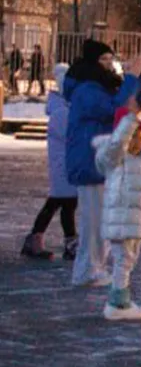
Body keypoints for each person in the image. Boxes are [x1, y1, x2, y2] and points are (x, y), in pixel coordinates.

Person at [65, 40, 141, 288]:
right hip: (90, 162)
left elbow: (131, 104)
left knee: (103, 220)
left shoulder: (103, 85)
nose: (110, 65)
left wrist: (137, 77)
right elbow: (115, 108)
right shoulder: (87, 88)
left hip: (103, 160)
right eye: (104, 60)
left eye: (112, 59)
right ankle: (87, 270)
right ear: (92, 62)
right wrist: (131, 78)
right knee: (94, 222)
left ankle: (92, 268)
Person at [95, 98, 141, 321]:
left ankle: (120, 299)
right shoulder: (114, 158)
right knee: (123, 260)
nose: (138, 141)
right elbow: (117, 145)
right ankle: (118, 303)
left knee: (128, 260)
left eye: (140, 137)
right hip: (120, 221)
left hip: (136, 222)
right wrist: (130, 120)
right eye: (134, 137)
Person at [21, 64, 77, 260]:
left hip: (65, 164)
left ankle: (38, 239)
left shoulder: (64, 108)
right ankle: (68, 242)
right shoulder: (62, 111)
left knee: (62, 202)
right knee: (64, 201)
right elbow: (71, 135)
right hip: (63, 164)